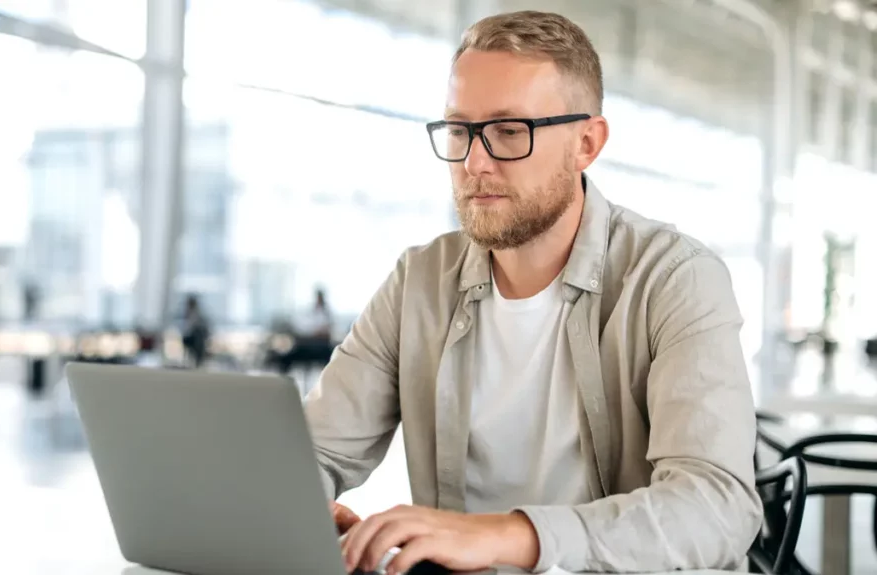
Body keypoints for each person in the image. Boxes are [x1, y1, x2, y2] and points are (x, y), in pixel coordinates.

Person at [305, 11, 762, 575]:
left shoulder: (674, 278)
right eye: (459, 130)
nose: (475, 161)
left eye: (508, 131)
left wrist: (505, 536)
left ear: (586, 143)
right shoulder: (418, 282)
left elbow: (716, 508)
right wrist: (294, 503)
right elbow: (316, 453)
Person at [181, 294, 211, 368]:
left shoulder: (198, 313)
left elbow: (200, 326)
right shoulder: (188, 313)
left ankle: (197, 363)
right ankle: (190, 362)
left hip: (198, 334)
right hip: (193, 335)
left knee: (198, 351)